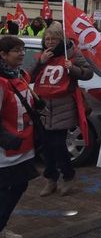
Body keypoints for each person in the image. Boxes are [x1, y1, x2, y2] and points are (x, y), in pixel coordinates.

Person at [29, 22, 93, 197]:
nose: (49, 42)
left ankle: (68, 176)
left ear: (61, 39)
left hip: (63, 106)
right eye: (47, 39)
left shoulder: (71, 53)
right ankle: (51, 179)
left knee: (58, 145)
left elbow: (88, 73)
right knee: (45, 147)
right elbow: (29, 76)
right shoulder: (43, 55)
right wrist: (40, 63)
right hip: (43, 107)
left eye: (53, 39)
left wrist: (72, 68)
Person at [0, 36, 39, 238]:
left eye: (23, 49)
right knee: (6, 189)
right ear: (3, 55)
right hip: (6, 151)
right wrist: (7, 139)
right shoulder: (1, 81)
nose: (22, 53)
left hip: (24, 146)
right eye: (16, 50)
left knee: (19, 185)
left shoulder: (22, 75)